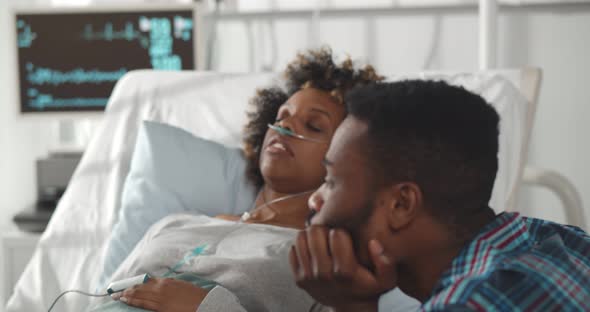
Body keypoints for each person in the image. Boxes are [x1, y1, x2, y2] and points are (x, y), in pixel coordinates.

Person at [91, 48, 384, 312]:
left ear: (348, 157)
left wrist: (209, 308)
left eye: (313, 125)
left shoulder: (322, 262)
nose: (285, 126)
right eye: (281, 117)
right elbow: (98, 300)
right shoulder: (175, 224)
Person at [290, 80, 590, 311]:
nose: (314, 201)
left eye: (330, 181)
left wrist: (351, 306)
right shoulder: (567, 242)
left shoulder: (467, 303)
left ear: (401, 204)